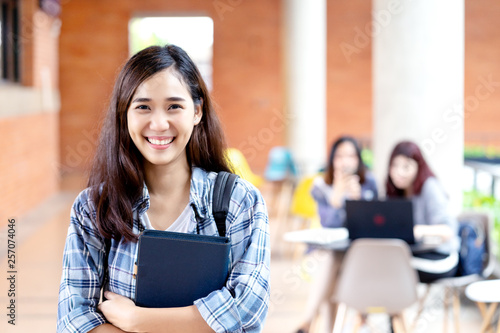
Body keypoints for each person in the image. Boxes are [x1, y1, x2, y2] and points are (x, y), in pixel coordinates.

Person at [57, 45, 270, 333]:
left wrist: (138, 321)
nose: (159, 124)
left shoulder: (239, 201)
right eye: (143, 106)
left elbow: (247, 309)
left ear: (197, 112)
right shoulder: (94, 207)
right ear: (124, 115)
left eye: (174, 106)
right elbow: (73, 320)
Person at [295, 136, 378, 333]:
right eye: (340, 156)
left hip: (360, 253)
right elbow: (329, 225)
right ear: (332, 160)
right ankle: (313, 324)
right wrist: (337, 197)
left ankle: (307, 322)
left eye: (351, 156)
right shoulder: (320, 186)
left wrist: (358, 202)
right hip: (327, 252)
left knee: (332, 266)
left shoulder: (369, 183)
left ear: (358, 159)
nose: (345, 161)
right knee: (331, 258)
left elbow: (371, 225)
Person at [386, 140, 459, 283]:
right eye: (394, 166)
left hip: (441, 257)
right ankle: (396, 306)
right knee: (381, 262)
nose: (399, 172)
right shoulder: (399, 192)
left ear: (418, 167)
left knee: (388, 267)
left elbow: (448, 231)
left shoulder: (430, 186)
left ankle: (396, 306)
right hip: (415, 253)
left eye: (406, 167)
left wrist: (416, 230)